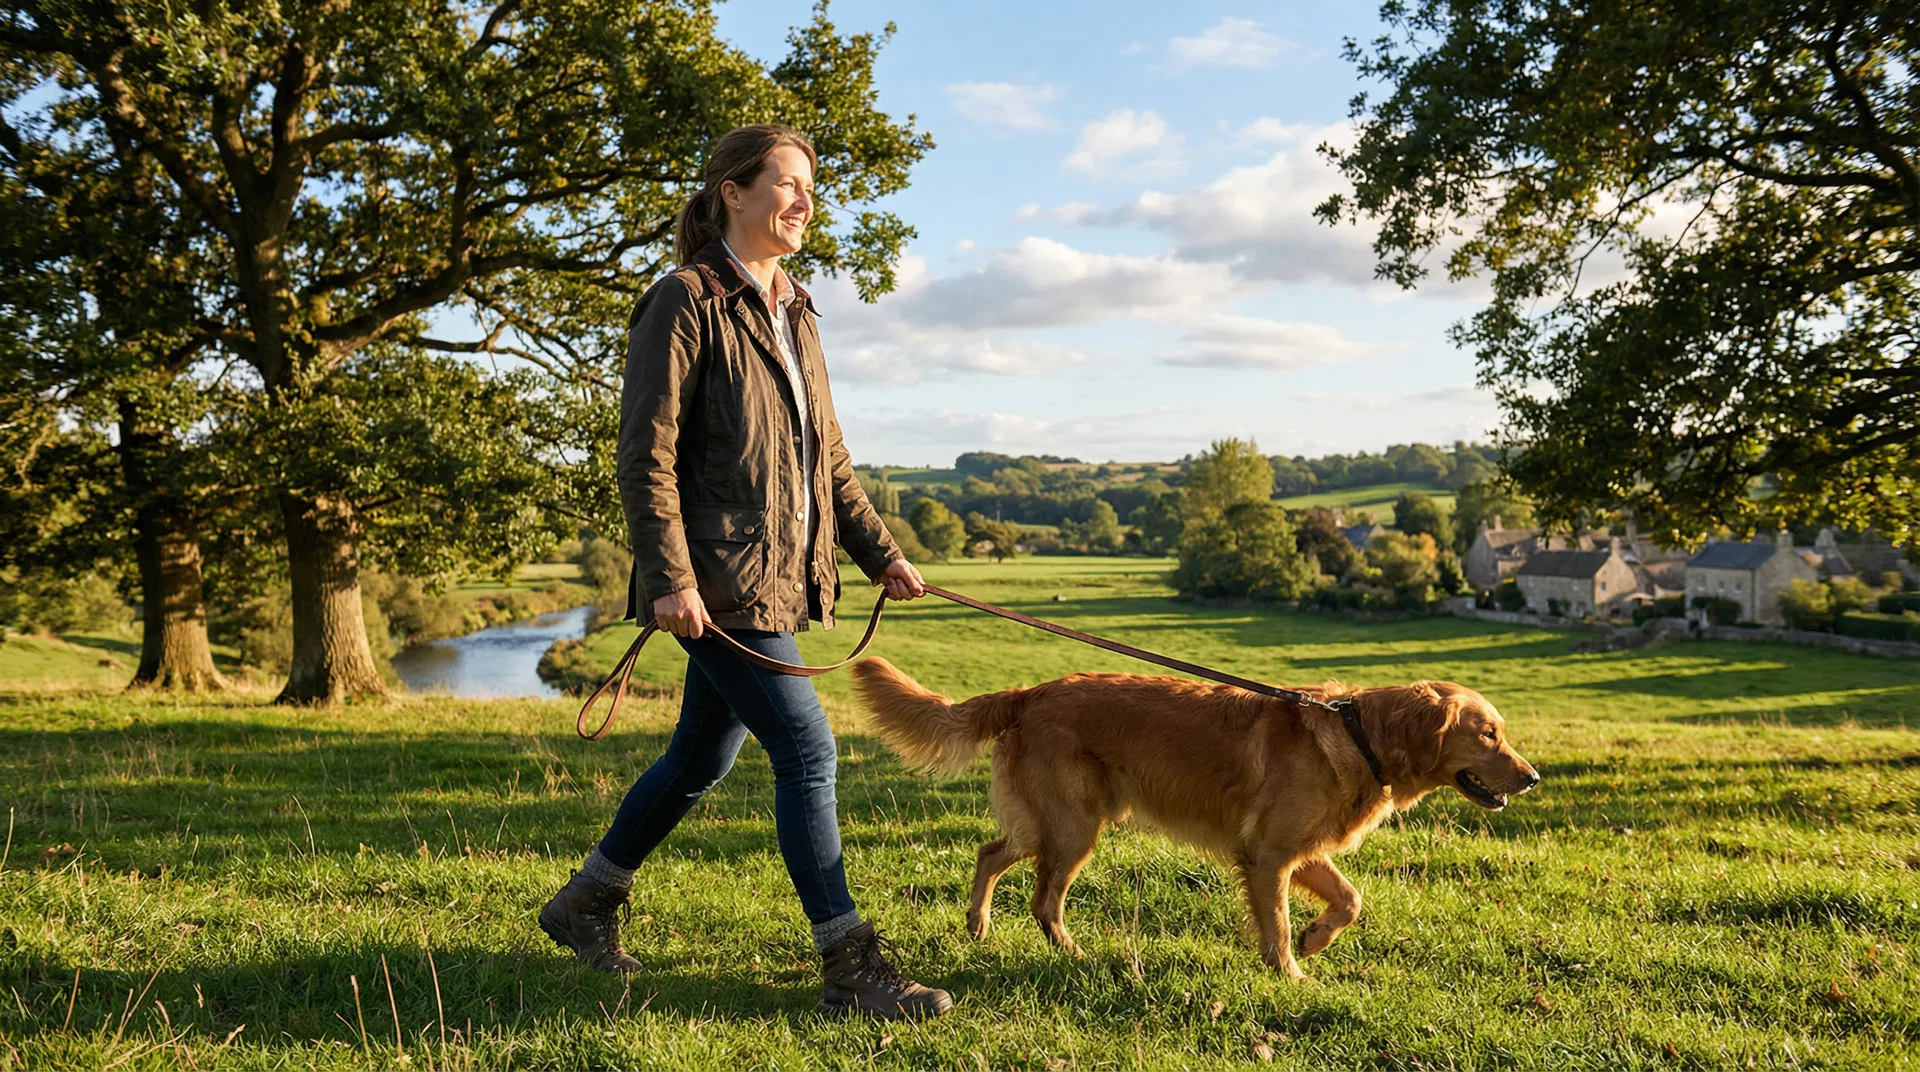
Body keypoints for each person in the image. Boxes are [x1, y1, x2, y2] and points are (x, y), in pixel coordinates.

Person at [537, 124, 951, 1020]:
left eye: (810, 187)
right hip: (716, 585)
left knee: (701, 753)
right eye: (787, 184)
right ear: (733, 190)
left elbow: (826, 458)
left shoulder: (797, 309)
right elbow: (644, 456)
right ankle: (851, 967)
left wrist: (880, 552)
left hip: (772, 578)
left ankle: (585, 903)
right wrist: (671, 579)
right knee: (807, 750)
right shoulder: (683, 300)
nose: (803, 202)